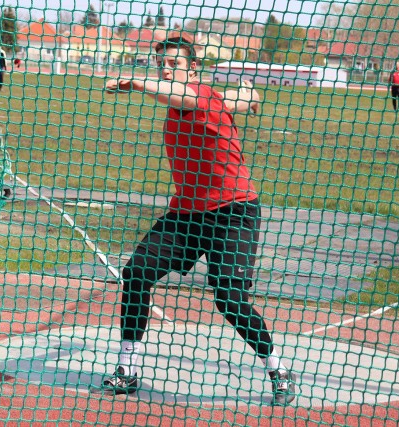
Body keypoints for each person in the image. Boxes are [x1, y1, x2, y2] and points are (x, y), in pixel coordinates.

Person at [102, 36, 296, 405]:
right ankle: (127, 369)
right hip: (187, 215)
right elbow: (229, 100)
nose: (165, 69)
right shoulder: (200, 99)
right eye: (161, 64)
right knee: (137, 271)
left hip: (233, 212)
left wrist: (136, 82)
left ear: (193, 69)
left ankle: (278, 369)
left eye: (174, 64)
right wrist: (248, 96)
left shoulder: (197, 96)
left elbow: (184, 96)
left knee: (229, 297)